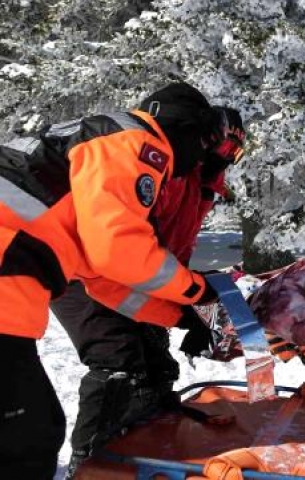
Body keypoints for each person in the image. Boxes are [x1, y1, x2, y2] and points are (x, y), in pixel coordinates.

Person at [0, 81, 227, 479]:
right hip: (9, 273)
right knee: (24, 439)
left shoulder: (104, 151)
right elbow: (117, 249)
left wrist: (180, 315)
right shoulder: (137, 142)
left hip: (14, 276)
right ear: (189, 131)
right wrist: (196, 289)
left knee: (32, 429)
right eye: (206, 146)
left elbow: (105, 280)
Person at [50, 102, 246, 478]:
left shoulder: (200, 188)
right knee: (117, 354)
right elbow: (128, 247)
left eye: (233, 154)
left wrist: (181, 310)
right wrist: (188, 299)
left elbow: (171, 254)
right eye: (222, 148)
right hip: (85, 268)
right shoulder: (168, 172)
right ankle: (92, 463)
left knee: (156, 359)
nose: (224, 159)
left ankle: (147, 439)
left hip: (132, 270)